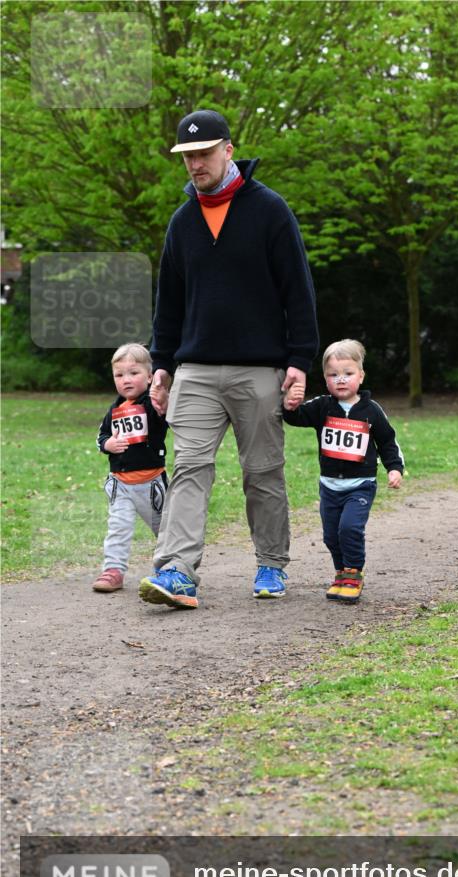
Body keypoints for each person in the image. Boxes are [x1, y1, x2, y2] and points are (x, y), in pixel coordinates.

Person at [139, 109, 319, 610]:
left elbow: (298, 292)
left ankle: (271, 564)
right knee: (190, 464)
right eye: (187, 157)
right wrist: (162, 363)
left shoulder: (270, 210)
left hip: (259, 368)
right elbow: (169, 304)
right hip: (195, 370)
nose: (195, 164)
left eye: (203, 153)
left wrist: (300, 360)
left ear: (228, 151)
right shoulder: (182, 222)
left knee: (262, 470)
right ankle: (176, 570)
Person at [282, 339, 404, 603]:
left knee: (349, 528)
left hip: (360, 484)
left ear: (360, 376)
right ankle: (341, 572)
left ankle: (353, 573)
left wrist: (394, 468)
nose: (340, 380)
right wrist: (290, 405)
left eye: (347, 374)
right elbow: (296, 418)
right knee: (330, 535)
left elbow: (387, 441)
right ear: (325, 379)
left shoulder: (371, 410)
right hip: (329, 486)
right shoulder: (322, 407)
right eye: (333, 375)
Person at [93, 344, 168, 593]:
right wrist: (108, 444)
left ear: (149, 376)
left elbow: (163, 418)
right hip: (121, 485)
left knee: (165, 528)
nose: (126, 380)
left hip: (151, 484)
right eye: (119, 375)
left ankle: (170, 567)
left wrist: (161, 399)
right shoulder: (115, 409)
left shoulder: (152, 403)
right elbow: (101, 436)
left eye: (133, 373)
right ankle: (113, 570)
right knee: (118, 528)